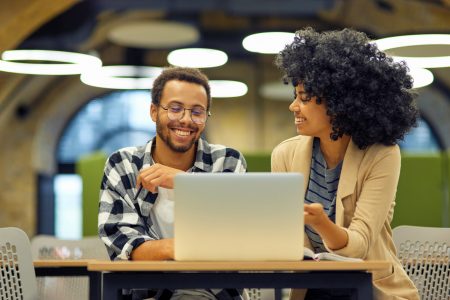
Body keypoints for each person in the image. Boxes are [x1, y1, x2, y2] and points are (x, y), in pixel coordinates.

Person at [272, 27, 420, 300]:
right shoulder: (285, 155)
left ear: (339, 104)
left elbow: (359, 246)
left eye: (303, 98)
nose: (293, 106)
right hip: (311, 290)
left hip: (369, 289)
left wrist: (320, 223)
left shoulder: (381, 155)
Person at [98, 67, 247, 300]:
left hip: (216, 294)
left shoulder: (228, 161)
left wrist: (182, 181)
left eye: (197, 112)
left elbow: (238, 234)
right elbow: (125, 245)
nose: (186, 120)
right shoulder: (124, 164)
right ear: (154, 111)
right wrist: (179, 248)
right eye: (175, 109)